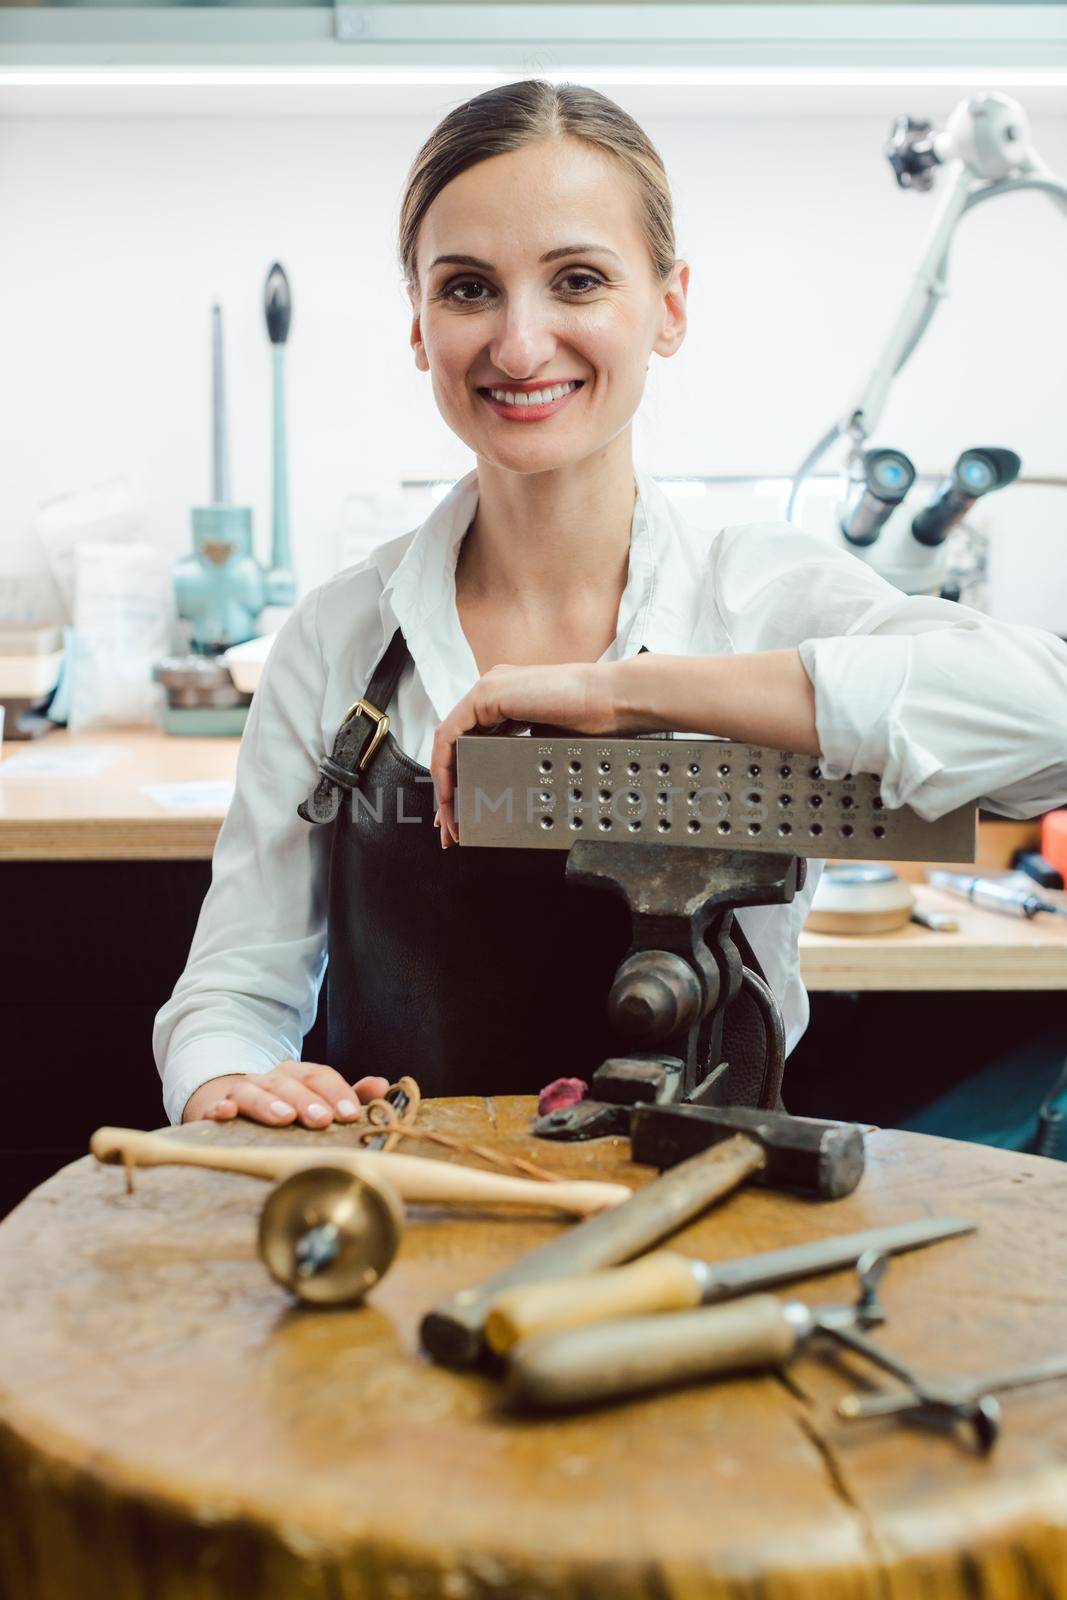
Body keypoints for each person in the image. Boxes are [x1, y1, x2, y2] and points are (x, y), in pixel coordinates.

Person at [156, 78, 1067, 1129]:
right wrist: (229, 1075)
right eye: (466, 290)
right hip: (398, 1225)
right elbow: (232, 992)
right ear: (417, 324)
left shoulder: (760, 595)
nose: (518, 343)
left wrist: (624, 693)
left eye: (577, 280)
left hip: (704, 1235)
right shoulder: (338, 635)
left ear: (668, 307)